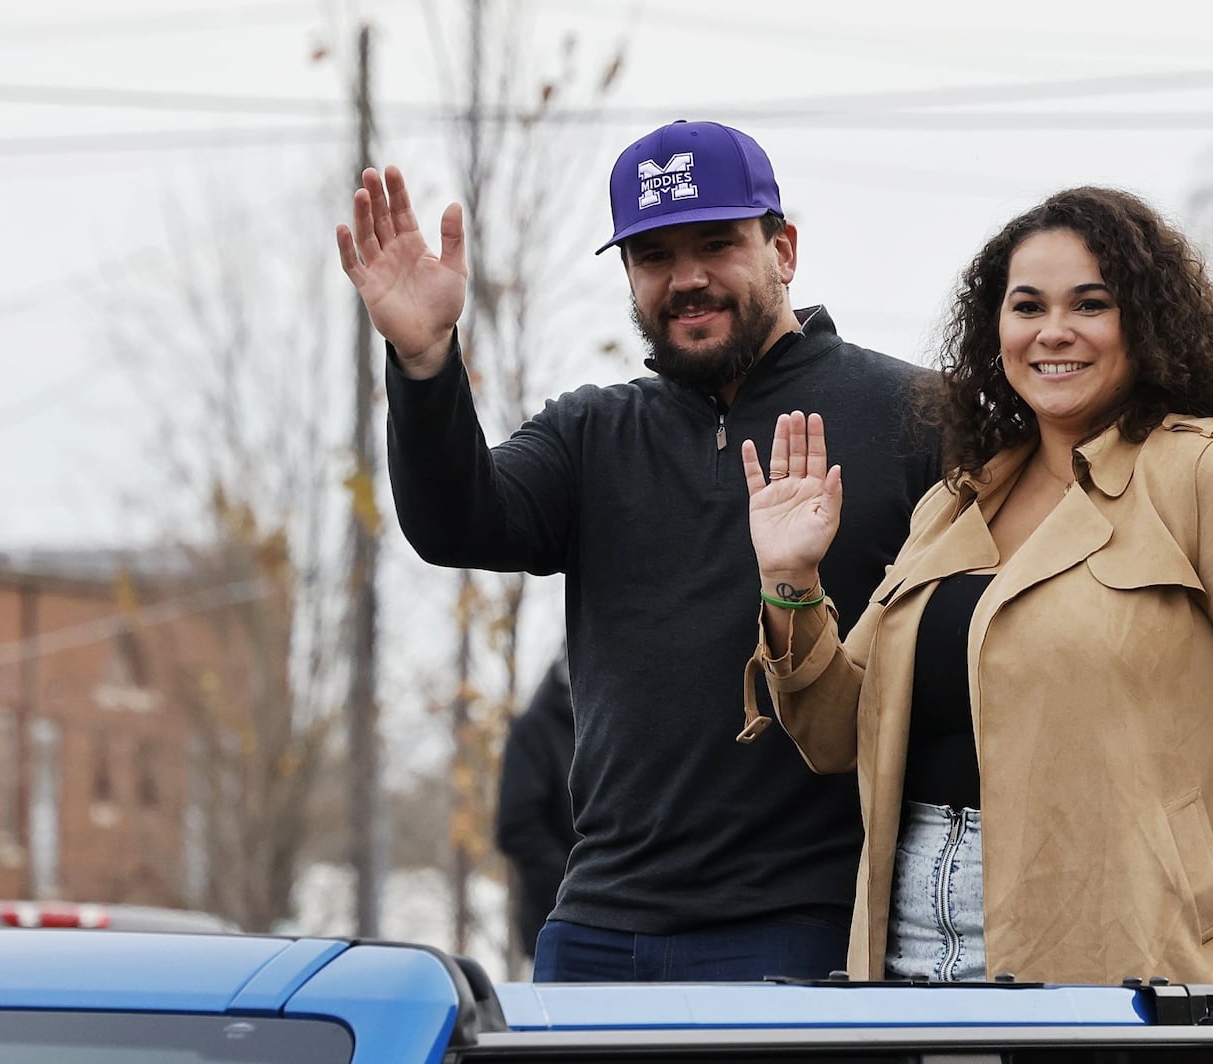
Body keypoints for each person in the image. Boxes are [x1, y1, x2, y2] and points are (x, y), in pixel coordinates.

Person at [739, 186, 1213, 989]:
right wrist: (792, 581)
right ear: (998, 331)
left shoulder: (1207, 476)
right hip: (910, 955)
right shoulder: (956, 501)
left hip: (1132, 961)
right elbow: (839, 736)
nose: (1054, 331)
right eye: (1028, 306)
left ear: (1146, 324)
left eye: (1091, 304)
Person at [335, 120, 940, 981]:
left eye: (717, 244)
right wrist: (425, 360)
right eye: (653, 254)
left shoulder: (916, 417)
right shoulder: (592, 433)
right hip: (598, 925)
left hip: (804, 925)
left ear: (784, 249)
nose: (686, 278)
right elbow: (457, 523)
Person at [495, 653, 578, 961]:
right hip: (556, 919)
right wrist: (573, 882)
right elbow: (516, 826)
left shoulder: (618, 728)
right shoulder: (534, 730)